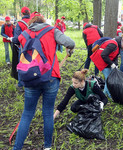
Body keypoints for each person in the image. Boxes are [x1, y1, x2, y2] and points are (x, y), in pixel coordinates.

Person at [13, 12, 75, 150]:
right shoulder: (52, 30)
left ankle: (17, 148)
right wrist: (70, 50)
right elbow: (71, 43)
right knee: (47, 113)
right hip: (50, 77)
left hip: (30, 78)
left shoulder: (24, 34)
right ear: (43, 21)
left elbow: (16, 40)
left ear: (31, 22)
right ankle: (47, 147)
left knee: (27, 114)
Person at [12, 7, 31, 88]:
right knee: (32, 66)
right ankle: (30, 83)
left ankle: (20, 85)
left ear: (22, 14)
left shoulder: (20, 23)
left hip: (23, 48)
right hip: (34, 48)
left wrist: (12, 39)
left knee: (22, 66)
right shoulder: (33, 22)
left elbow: (16, 39)